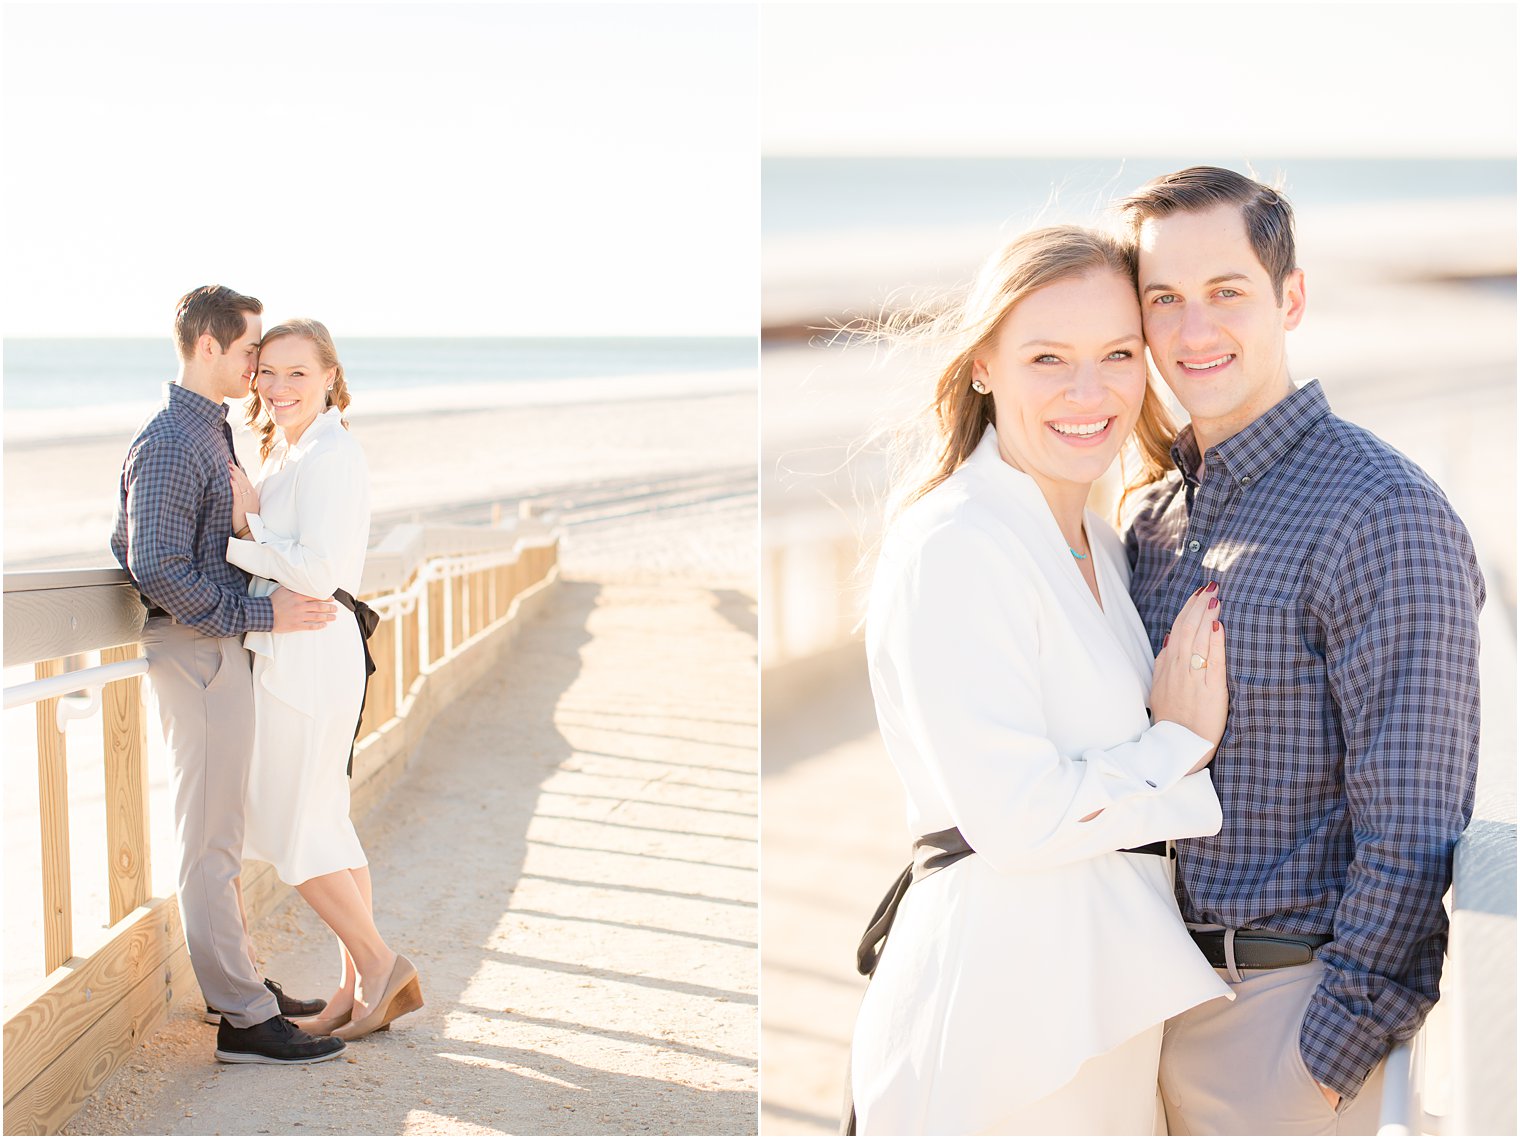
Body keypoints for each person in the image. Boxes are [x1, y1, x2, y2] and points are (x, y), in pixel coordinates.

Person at [847, 226, 1237, 1136]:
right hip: (1001, 1022)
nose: (1088, 391)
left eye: (1117, 354)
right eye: (1047, 357)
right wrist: (1175, 746)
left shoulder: (1099, 539)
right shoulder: (958, 544)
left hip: (1095, 1006)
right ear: (983, 363)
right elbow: (1016, 819)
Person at [1120, 166, 1484, 1135]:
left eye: (1225, 292)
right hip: (1129, 1017)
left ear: (1289, 298)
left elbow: (1411, 827)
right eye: (1164, 299)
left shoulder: (1379, 511)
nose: (1193, 330)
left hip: (1277, 1028)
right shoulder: (1149, 521)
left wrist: (1321, 1061)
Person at [112, 285, 346, 1065]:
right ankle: (244, 1018)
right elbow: (151, 564)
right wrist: (260, 614)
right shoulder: (176, 439)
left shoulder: (204, 430)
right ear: (209, 347)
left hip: (212, 647)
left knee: (225, 832)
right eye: (251, 350)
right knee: (210, 839)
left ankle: (242, 985)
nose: (260, 366)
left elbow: (136, 542)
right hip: (199, 650)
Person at [225, 318, 423, 1042]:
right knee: (326, 825)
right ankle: (350, 993)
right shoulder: (296, 449)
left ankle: (379, 963)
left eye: (297, 373)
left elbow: (317, 570)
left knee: (292, 825)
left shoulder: (333, 455)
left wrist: (244, 534)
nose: (278, 387)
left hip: (310, 650)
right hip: (308, 649)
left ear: (331, 377)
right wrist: (257, 523)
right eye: (267, 372)